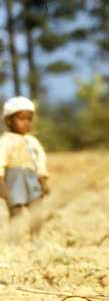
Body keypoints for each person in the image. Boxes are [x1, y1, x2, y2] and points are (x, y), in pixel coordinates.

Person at [2, 97, 49, 242]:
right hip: (14, 179)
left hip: (32, 178)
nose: (26, 123)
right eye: (21, 119)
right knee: (16, 210)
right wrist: (1, 184)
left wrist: (43, 180)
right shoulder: (5, 141)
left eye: (29, 119)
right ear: (9, 121)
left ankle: (36, 239)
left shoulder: (33, 141)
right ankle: (14, 241)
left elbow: (40, 161)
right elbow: (0, 162)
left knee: (37, 209)